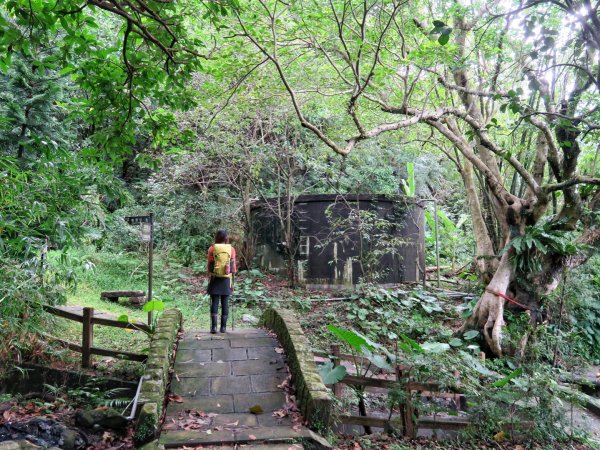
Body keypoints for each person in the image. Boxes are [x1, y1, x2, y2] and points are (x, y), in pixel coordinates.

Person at [207, 229, 236, 334]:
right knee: (225, 302)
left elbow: (209, 265)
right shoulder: (231, 249)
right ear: (226, 238)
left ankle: (213, 327)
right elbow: (233, 267)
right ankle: (223, 328)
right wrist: (232, 279)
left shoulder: (212, 248)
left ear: (217, 237)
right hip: (227, 278)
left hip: (215, 278)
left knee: (214, 301)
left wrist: (209, 275)